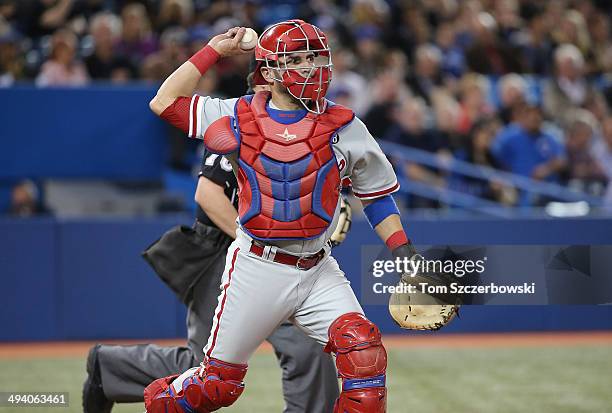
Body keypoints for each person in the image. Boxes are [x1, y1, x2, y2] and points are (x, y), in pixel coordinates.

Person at [146, 20, 420, 412]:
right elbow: (165, 102)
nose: (311, 67)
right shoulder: (237, 114)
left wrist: (404, 252)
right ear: (270, 71)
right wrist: (214, 50)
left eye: (316, 57)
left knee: (365, 358)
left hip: (317, 268)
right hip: (258, 265)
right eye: (298, 59)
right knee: (215, 387)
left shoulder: (346, 125)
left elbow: (376, 197)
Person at [82, 74, 340, 413]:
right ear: (264, 85)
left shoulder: (303, 127)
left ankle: (112, 368)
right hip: (224, 249)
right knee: (209, 366)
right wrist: (261, 242)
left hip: (266, 253)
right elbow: (208, 194)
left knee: (306, 348)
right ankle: (111, 368)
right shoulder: (241, 121)